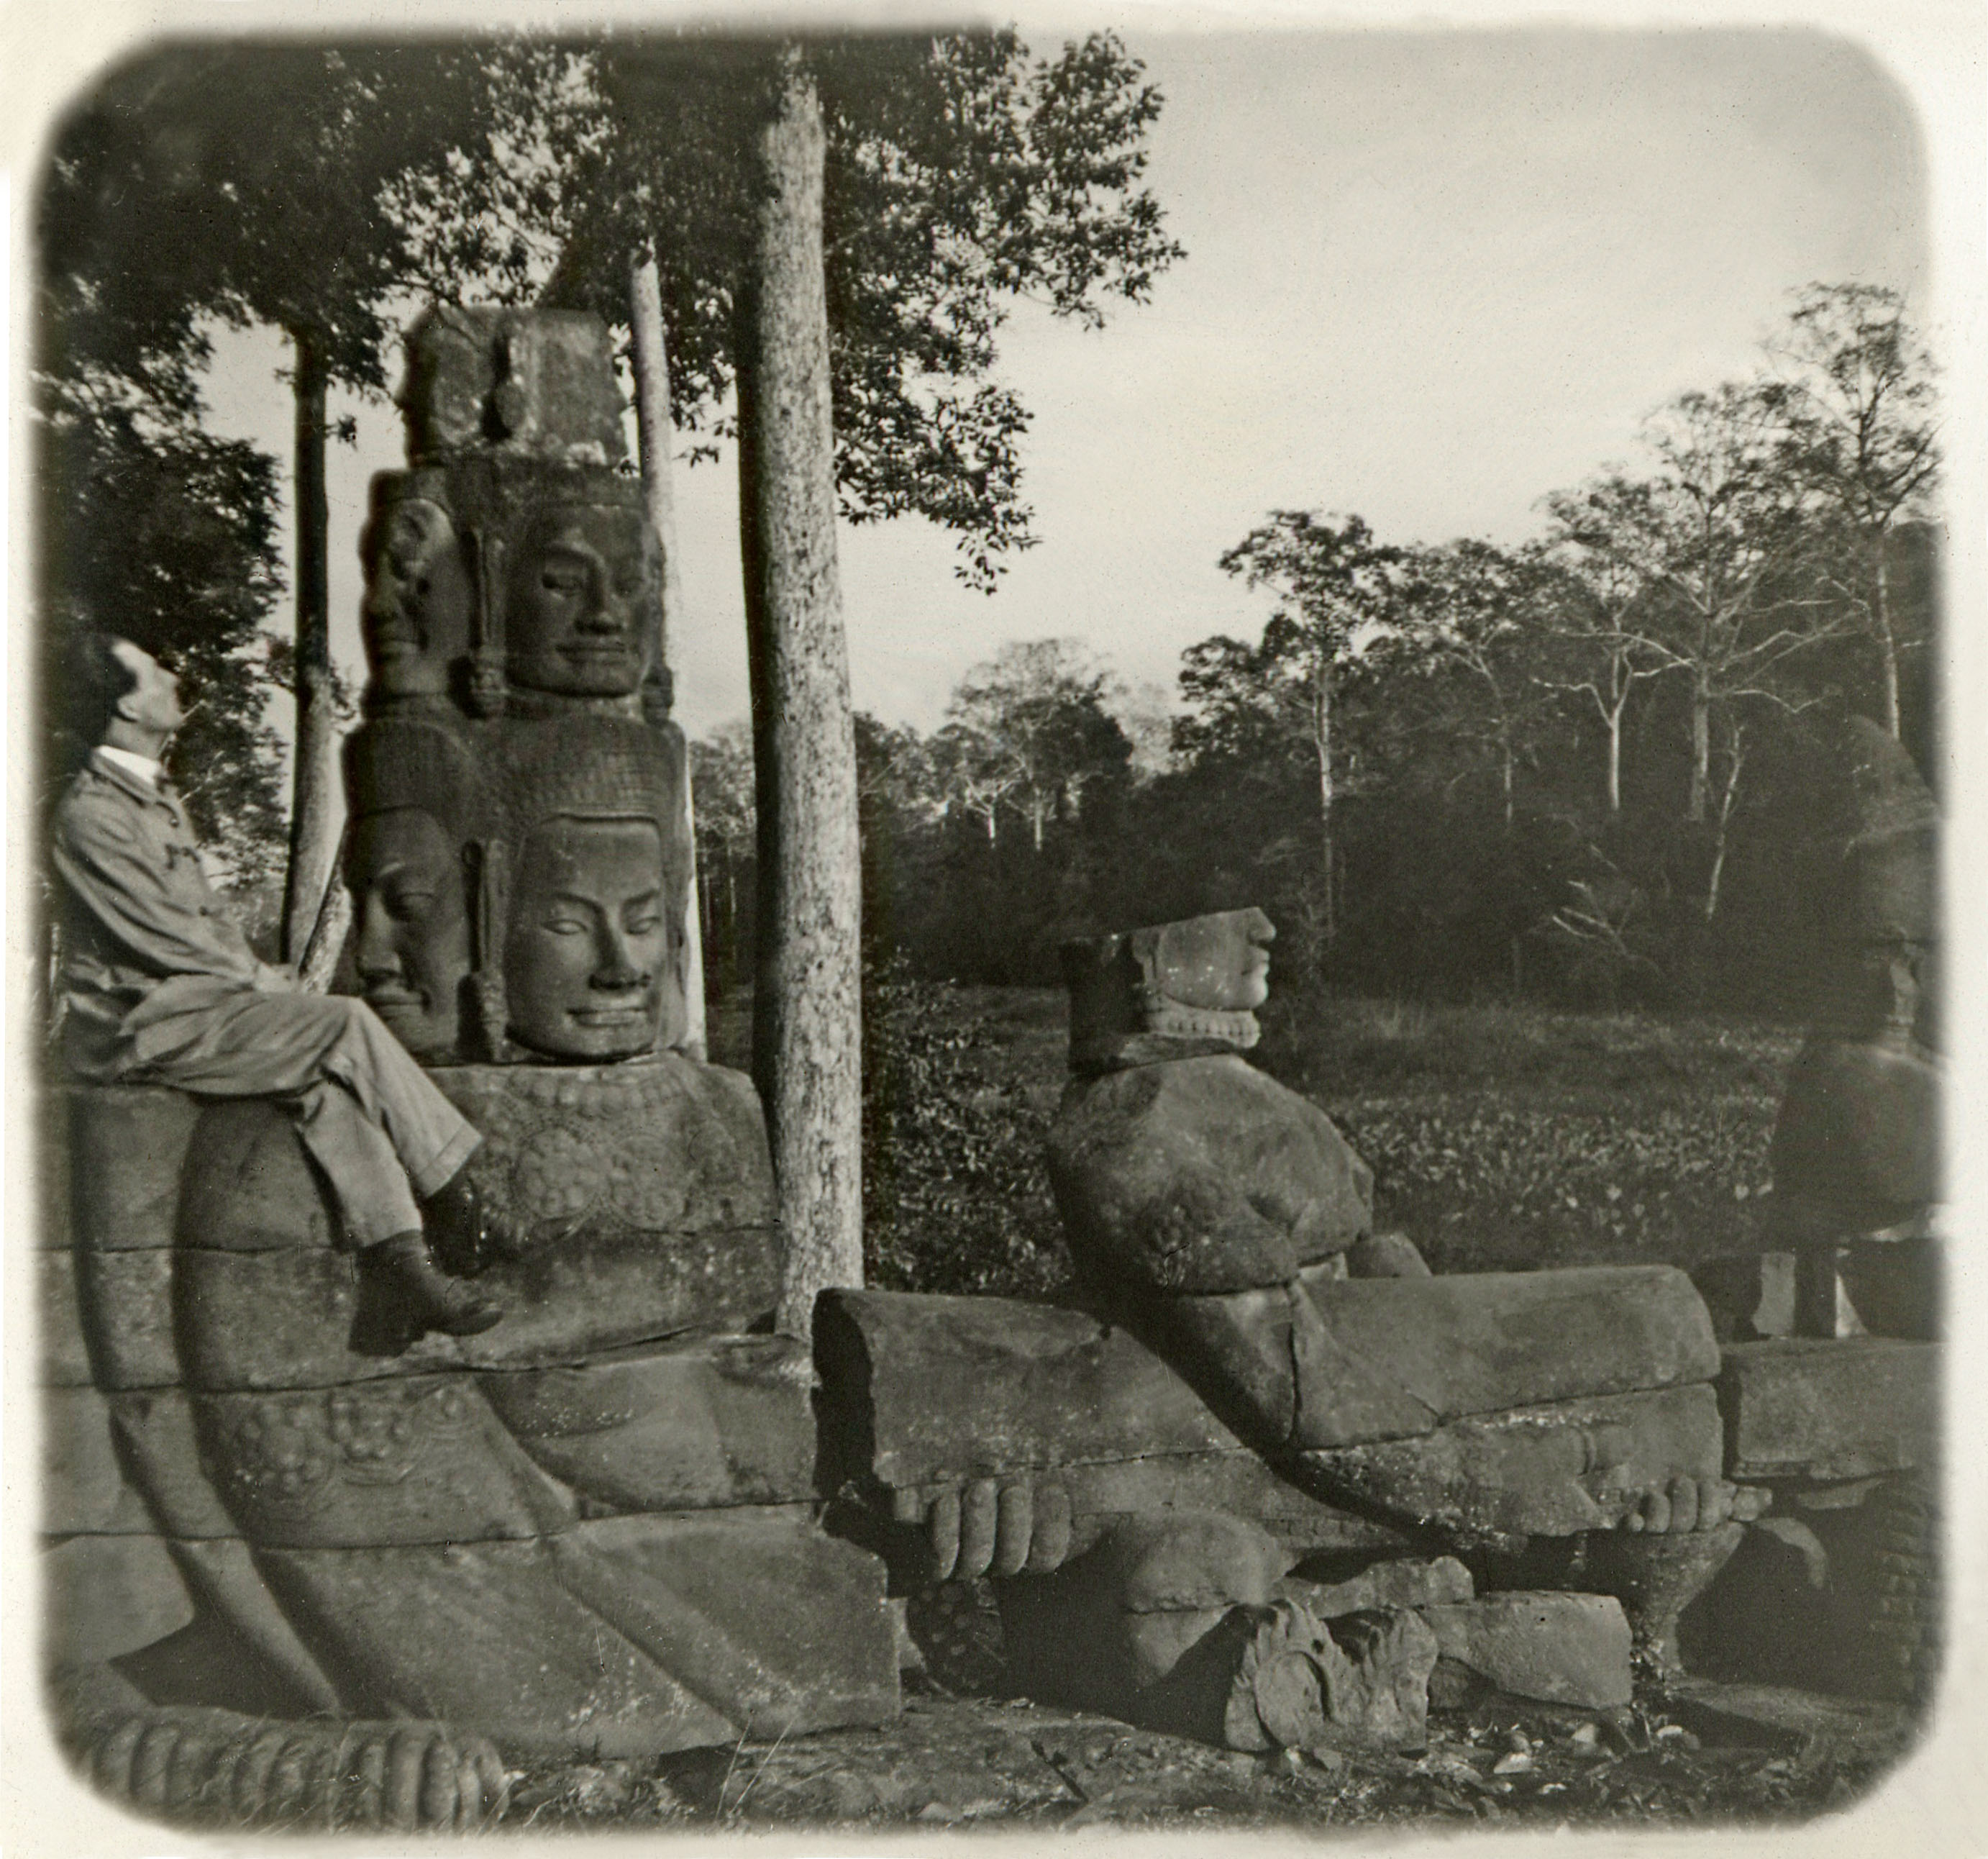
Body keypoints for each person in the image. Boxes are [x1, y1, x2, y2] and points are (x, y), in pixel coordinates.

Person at [50, 631, 507, 1339]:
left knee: (328, 1081)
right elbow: (166, 936)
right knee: (343, 1023)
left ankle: (404, 1268)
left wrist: (258, 984)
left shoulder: (147, 795)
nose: (173, 674)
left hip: (200, 1008)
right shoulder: (92, 816)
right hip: (141, 1025)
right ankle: (456, 1195)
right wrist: (265, 982)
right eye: (153, 670)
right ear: (125, 704)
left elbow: (204, 923)